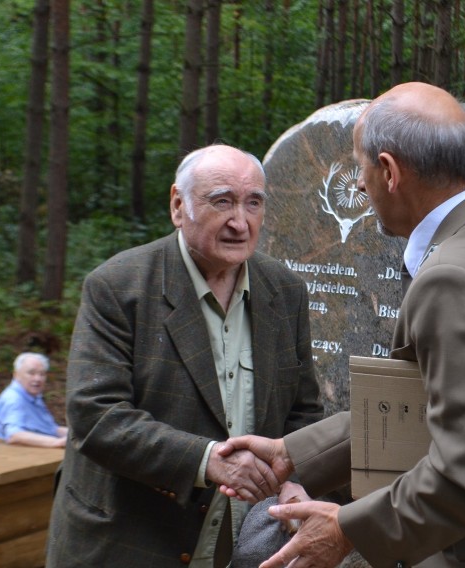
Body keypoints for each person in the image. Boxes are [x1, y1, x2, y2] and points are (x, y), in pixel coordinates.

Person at [218, 83, 465, 568]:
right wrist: (292, 453)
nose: (359, 186)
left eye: (361, 168)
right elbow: (428, 410)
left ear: (390, 172)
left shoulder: (453, 281)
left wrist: (345, 529)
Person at [45, 144, 323, 568]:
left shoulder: (285, 291)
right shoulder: (118, 286)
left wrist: (293, 480)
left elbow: (303, 412)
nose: (239, 222)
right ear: (179, 205)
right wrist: (208, 460)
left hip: (234, 545)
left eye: (253, 203)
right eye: (222, 202)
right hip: (127, 541)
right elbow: (96, 416)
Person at [0, 352, 68, 448]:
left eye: (42, 374)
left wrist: (79, 434)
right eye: (31, 373)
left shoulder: (33, 396)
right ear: (16, 374)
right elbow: (14, 436)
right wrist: (56, 442)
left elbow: (52, 429)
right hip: (16, 458)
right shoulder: (14, 399)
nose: (38, 378)